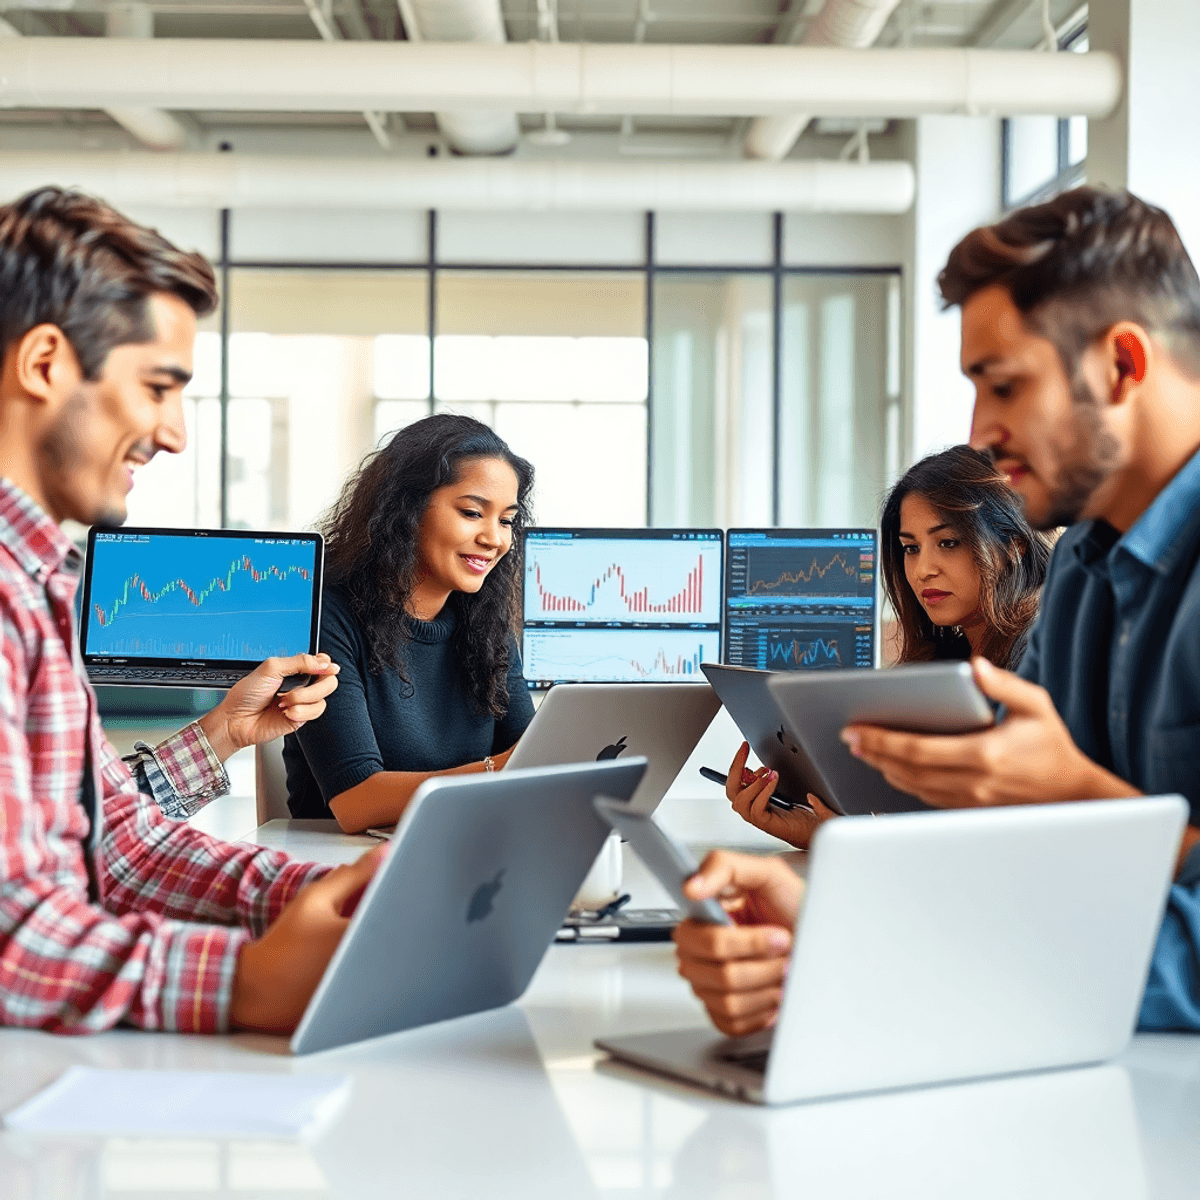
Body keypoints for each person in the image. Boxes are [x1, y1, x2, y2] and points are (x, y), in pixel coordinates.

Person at [676, 186, 1200, 1035]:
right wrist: (829, 926)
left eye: (1005, 386)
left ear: (1122, 364)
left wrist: (1072, 796)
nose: (981, 431)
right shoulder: (1081, 570)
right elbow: (1019, 878)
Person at [0, 186, 384, 1035]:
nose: (174, 433)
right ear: (45, 363)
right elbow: (13, 936)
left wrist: (318, 891)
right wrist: (249, 982)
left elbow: (114, 839)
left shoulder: (38, 576)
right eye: (156, 388)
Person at [725, 444, 1050, 850]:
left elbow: (1004, 845)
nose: (923, 569)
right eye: (911, 548)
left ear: (1014, 545)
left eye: (948, 542)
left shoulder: (1042, 660)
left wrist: (862, 843)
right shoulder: (937, 670)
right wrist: (822, 833)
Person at [283, 414, 536, 833]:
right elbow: (355, 801)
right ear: (407, 509)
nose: (494, 539)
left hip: (466, 842)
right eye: (472, 512)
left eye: (506, 520)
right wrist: (501, 770)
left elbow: (531, 754)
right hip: (344, 858)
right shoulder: (325, 616)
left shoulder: (486, 623)